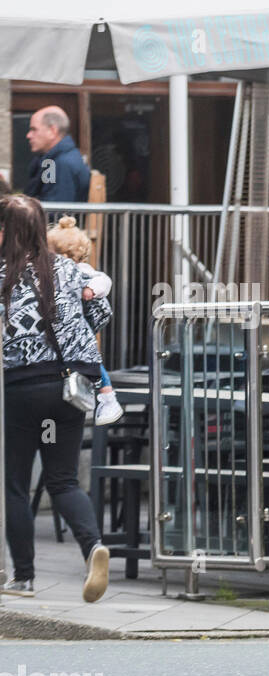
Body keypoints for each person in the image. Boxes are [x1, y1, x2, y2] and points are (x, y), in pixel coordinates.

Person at [1, 194, 111, 601]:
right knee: (63, 479)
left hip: (23, 389)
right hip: (71, 388)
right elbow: (100, 315)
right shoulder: (68, 269)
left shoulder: (2, 277)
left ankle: (24, 577)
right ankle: (93, 546)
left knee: (14, 483)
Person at [45, 216, 123, 426]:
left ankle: (108, 397)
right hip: (63, 328)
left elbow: (104, 280)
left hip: (77, 329)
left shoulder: (80, 270)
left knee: (93, 362)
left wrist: (90, 290)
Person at [24, 107, 90, 204]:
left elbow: (55, 213)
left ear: (52, 131)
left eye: (34, 129)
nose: (28, 135)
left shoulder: (60, 164)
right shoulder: (54, 160)